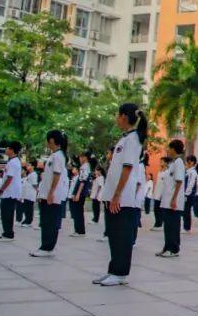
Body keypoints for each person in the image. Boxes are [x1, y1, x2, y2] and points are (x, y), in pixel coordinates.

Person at [93, 103, 146, 286]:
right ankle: (113, 270)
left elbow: (127, 168)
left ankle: (120, 272)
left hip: (123, 198)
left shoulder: (133, 140)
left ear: (124, 116)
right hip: (114, 196)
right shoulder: (125, 139)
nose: (116, 118)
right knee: (114, 234)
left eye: (117, 115)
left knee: (122, 235)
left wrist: (117, 195)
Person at [32, 132, 68, 257]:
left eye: (47, 140)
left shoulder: (59, 156)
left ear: (52, 140)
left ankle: (47, 247)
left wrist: (51, 193)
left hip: (52, 195)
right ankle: (45, 246)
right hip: (47, 194)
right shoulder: (54, 155)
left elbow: (57, 175)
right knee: (46, 221)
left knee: (50, 222)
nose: (46, 142)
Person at [157, 139, 186, 258]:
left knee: (173, 226)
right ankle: (167, 247)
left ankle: (174, 249)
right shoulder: (173, 163)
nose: (167, 150)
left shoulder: (179, 162)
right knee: (168, 226)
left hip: (173, 202)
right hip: (167, 201)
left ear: (173, 149)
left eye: (169, 148)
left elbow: (179, 181)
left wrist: (174, 199)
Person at [0, 143, 22, 241]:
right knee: (6, 213)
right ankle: (7, 233)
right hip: (8, 191)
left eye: (7, 148)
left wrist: (1, 190)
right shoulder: (12, 161)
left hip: (10, 192)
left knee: (7, 213)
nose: (5, 150)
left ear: (11, 150)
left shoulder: (13, 162)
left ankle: (8, 234)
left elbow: (9, 178)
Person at [69, 154, 89, 237]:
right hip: (78, 192)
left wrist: (77, 194)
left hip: (80, 193)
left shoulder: (85, 167)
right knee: (77, 212)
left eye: (81, 157)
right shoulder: (83, 167)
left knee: (78, 212)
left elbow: (82, 182)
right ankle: (78, 229)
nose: (80, 159)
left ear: (85, 157)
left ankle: (80, 231)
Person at [183, 155, 198, 231]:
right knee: (185, 211)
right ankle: (185, 227)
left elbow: (191, 184)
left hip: (189, 195)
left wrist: (186, 194)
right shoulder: (188, 171)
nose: (187, 163)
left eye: (188, 161)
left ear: (192, 162)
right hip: (187, 194)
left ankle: (187, 228)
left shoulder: (193, 172)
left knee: (186, 211)